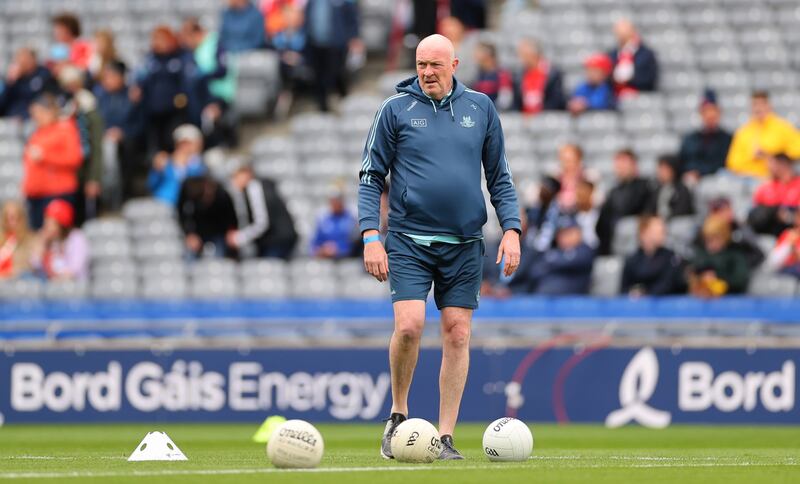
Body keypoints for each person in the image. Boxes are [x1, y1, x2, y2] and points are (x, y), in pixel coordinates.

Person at [358, 35, 521, 460]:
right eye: (420, 64)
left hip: (465, 243)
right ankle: (397, 414)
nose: (427, 72)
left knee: (458, 332)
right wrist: (370, 235)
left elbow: (499, 175)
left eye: (435, 64)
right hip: (409, 239)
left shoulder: (481, 108)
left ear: (455, 64)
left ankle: (444, 436)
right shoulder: (394, 110)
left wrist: (512, 228)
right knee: (410, 326)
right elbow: (370, 176)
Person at [23, 94, 83, 229]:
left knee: (56, 235)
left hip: (57, 192)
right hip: (36, 194)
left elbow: (74, 159)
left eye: (38, 112)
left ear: (50, 111)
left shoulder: (65, 129)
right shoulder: (37, 132)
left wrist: (45, 157)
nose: (35, 117)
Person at [133, 26, 196, 155]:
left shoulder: (181, 57)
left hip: (175, 111)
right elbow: (141, 78)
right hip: (154, 112)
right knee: (156, 147)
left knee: (172, 141)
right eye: (155, 39)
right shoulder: (150, 59)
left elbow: (188, 82)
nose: (157, 43)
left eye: (161, 39)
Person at [180, 17, 237, 148]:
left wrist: (204, 75)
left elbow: (223, 70)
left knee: (210, 116)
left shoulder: (216, 44)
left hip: (219, 93)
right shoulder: (195, 51)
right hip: (203, 94)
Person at [58, 65, 105, 224]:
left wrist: (94, 178)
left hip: (85, 169)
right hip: (67, 174)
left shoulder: (89, 107)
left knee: (86, 219)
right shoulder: (62, 106)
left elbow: (96, 147)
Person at [94, 60, 144, 202]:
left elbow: (139, 125)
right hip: (103, 138)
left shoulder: (132, 95)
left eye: (111, 76)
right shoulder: (99, 95)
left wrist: (123, 133)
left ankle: (122, 195)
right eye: (105, 77)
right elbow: (96, 122)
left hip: (126, 140)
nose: (107, 81)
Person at [227, 162, 298, 259]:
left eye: (236, 176)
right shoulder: (256, 188)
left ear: (247, 173)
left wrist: (239, 238)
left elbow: (262, 223)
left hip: (277, 240)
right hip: (275, 239)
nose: (234, 181)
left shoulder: (254, 188)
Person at [304, 0, 362, 112]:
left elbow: (352, 18)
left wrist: (354, 37)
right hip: (315, 45)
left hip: (336, 44)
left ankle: (343, 100)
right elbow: (307, 20)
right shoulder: (311, 2)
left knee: (336, 73)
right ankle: (322, 106)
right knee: (318, 76)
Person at [726, 91, 800, 179]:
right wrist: (752, 158)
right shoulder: (743, 132)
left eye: (762, 104)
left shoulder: (783, 128)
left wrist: (772, 156)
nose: (758, 108)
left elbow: (797, 150)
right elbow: (732, 163)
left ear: (769, 105)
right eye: (755, 104)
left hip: (777, 178)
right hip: (750, 179)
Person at [596, 149, 652, 255]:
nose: (620, 168)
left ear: (634, 165)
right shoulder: (613, 191)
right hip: (611, 241)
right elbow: (602, 222)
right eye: (618, 164)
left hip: (635, 238)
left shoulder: (644, 187)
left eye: (624, 163)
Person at [525, 215, 595, 295]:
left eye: (569, 233)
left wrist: (552, 263)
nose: (565, 237)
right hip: (543, 299)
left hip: (572, 301)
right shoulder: (553, 250)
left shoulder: (585, 250)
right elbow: (534, 272)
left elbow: (574, 262)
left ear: (578, 233)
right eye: (561, 233)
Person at [688, 214, 750, 298]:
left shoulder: (735, 253)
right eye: (708, 239)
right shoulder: (701, 254)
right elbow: (691, 275)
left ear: (724, 237)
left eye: (715, 238)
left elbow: (740, 280)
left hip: (730, 300)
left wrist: (718, 277)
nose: (711, 244)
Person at [621, 216, 685, 296]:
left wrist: (645, 294)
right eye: (657, 230)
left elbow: (668, 285)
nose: (662, 233)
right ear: (644, 233)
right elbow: (623, 289)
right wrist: (633, 293)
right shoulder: (632, 260)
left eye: (663, 230)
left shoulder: (671, 258)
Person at [678, 89, 732, 184]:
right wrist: (691, 172)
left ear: (719, 113)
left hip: (716, 182)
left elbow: (724, 164)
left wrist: (699, 172)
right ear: (701, 114)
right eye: (706, 112)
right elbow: (683, 161)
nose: (710, 116)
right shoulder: (690, 138)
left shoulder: (727, 139)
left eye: (713, 112)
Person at [178, 175, 237, 259]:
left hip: (218, 233)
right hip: (197, 233)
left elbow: (230, 216)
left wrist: (230, 231)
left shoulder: (222, 196)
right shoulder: (190, 193)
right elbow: (184, 216)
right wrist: (189, 234)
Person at [696, 197, 763, 270]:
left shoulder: (739, 230)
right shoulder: (704, 230)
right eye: (721, 211)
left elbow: (756, 252)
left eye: (728, 210)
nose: (727, 214)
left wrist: (739, 264)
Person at [29, 199, 89, 280]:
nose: (46, 225)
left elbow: (75, 270)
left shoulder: (76, 238)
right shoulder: (46, 240)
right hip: (50, 288)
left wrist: (57, 278)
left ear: (61, 224)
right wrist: (42, 244)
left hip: (74, 288)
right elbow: (35, 267)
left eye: (50, 222)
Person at [148, 125, 207, 206]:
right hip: (163, 204)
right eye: (181, 143)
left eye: (188, 143)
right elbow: (152, 185)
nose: (184, 147)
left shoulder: (200, 164)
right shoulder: (164, 162)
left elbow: (197, 187)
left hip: (189, 207)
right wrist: (157, 170)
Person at [748, 154, 800, 236]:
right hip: (771, 227)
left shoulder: (797, 183)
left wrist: (788, 215)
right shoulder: (769, 186)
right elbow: (757, 211)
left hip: (792, 226)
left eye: (774, 164)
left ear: (784, 164)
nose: (770, 167)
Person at [0, 48, 57, 119]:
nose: (23, 63)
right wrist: (10, 82)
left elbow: (42, 97)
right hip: (13, 117)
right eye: (20, 61)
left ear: (33, 59)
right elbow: (3, 102)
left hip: (34, 116)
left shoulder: (43, 74)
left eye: (25, 60)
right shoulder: (15, 79)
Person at [515, 38, 566, 114]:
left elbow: (556, 99)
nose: (521, 59)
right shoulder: (520, 75)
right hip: (524, 120)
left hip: (547, 119)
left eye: (524, 55)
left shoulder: (552, 73)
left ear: (534, 55)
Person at [608, 18, 658, 96]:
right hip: (614, 95)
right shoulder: (612, 54)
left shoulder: (646, 54)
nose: (621, 34)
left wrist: (628, 81)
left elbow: (649, 78)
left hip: (638, 93)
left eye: (624, 31)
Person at [646, 154, 694, 220]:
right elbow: (649, 209)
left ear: (673, 170)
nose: (661, 172)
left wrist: (665, 218)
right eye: (660, 169)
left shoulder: (682, 189)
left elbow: (682, 210)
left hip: (675, 223)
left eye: (665, 169)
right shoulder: (656, 190)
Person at [311, 191, 357, 259]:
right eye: (333, 200)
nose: (335, 203)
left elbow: (354, 244)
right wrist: (323, 250)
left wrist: (338, 249)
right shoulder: (323, 220)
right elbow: (315, 244)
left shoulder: (351, 219)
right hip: (325, 259)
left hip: (346, 258)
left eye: (337, 200)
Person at [471, 41, 513, 111]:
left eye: (478, 51)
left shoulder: (502, 74)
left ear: (487, 54)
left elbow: (505, 101)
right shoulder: (478, 75)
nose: (475, 55)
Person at [526, 175, 562, 252]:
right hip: (532, 248)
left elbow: (546, 239)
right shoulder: (536, 208)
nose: (542, 191)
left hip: (549, 251)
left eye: (546, 188)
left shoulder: (557, 211)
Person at [0, 201, 34, 279]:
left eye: (16, 218)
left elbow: (28, 267)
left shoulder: (30, 240)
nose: (12, 223)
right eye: (7, 218)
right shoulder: (2, 240)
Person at [765, 208, 800, 278]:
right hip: (786, 270)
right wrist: (789, 244)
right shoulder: (788, 234)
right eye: (798, 216)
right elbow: (773, 261)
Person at [556, 143, 585, 210]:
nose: (567, 164)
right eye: (564, 160)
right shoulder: (555, 178)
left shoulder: (587, 177)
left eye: (570, 160)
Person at [575, 177, 599, 249]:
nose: (581, 196)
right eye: (579, 192)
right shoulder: (572, 215)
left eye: (585, 192)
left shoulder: (600, 214)